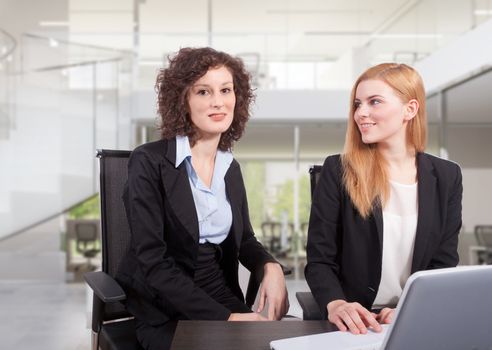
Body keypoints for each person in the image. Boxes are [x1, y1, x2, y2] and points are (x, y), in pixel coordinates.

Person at [116, 47, 289, 350]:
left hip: (220, 294)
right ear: (182, 99)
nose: (218, 102)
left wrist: (270, 267)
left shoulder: (229, 167)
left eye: (225, 90)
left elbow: (246, 240)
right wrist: (228, 319)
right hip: (165, 308)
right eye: (203, 92)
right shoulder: (149, 162)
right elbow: (154, 263)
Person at [305, 63, 462, 335]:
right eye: (357, 104)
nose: (360, 113)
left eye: (374, 102)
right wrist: (337, 303)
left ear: (410, 109)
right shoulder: (338, 170)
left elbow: (443, 262)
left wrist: (409, 306)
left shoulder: (447, 176)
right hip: (354, 324)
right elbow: (320, 261)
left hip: (413, 318)